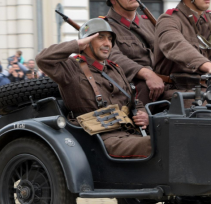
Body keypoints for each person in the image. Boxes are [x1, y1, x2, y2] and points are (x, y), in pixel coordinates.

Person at [37, 18, 151, 158]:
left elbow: (134, 101)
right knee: (158, 144)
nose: (107, 43)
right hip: (99, 139)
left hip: (130, 132)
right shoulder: (71, 67)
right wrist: (77, 44)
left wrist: (142, 114)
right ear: (87, 42)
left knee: (172, 136)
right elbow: (42, 59)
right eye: (100, 38)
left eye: (109, 39)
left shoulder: (115, 69)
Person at [102, 0, 163, 104]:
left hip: (161, 80)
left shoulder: (150, 23)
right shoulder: (104, 28)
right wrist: (146, 73)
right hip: (132, 87)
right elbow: (113, 57)